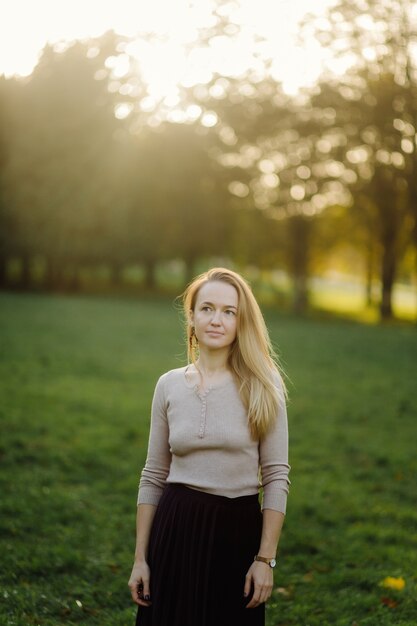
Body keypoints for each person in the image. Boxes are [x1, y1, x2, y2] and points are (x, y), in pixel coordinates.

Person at [128, 267, 290, 626]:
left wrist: (265, 559)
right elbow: (153, 475)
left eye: (229, 311)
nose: (217, 319)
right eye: (207, 308)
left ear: (240, 321)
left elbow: (277, 476)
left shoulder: (264, 384)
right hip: (175, 531)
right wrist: (141, 558)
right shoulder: (168, 386)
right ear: (192, 317)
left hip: (236, 535)